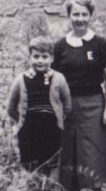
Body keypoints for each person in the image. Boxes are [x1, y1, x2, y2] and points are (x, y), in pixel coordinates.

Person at [51, 0, 106, 191]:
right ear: (69, 16)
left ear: (90, 16)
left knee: (93, 151)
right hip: (67, 106)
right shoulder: (60, 46)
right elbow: (54, 80)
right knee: (68, 150)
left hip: (94, 104)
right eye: (75, 14)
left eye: (84, 14)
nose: (80, 19)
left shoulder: (100, 44)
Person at [5, 36, 72, 182]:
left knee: (53, 163)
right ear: (29, 57)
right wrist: (21, 121)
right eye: (36, 56)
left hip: (52, 130)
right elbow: (11, 107)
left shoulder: (59, 79)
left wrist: (59, 121)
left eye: (44, 56)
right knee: (31, 165)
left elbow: (67, 106)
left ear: (52, 58)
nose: (40, 60)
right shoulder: (20, 80)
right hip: (28, 131)